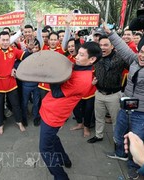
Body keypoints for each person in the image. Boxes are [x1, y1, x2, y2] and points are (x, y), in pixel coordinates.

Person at [103, 24, 144, 179]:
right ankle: (120, 153)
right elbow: (124, 49)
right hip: (126, 107)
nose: (143, 55)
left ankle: (133, 168)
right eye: (142, 51)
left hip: (143, 113)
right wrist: (111, 33)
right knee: (119, 134)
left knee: (136, 141)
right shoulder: (135, 60)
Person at [39, 42, 102, 180]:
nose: (76, 56)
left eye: (81, 55)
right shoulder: (78, 67)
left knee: (45, 149)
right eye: (78, 53)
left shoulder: (82, 80)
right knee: (53, 138)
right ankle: (64, 160)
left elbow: (56, 92)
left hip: (54, 115)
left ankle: (61, 177)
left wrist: (51, 74)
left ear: (92, 59)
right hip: (49, 109)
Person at [87, 36, 129, 143]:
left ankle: (117, 141)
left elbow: (133, 67)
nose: (102, 48)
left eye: (105, 45)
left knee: (116, 120)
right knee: (99, 117)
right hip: (99, 93)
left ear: (112, 46)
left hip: (114, 95)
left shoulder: (121, 57)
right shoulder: (96, 57)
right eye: (100, 45)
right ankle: (98, 135)